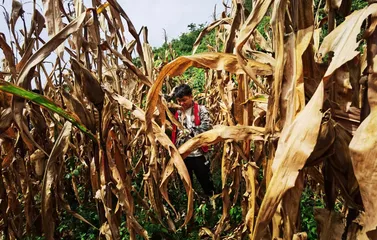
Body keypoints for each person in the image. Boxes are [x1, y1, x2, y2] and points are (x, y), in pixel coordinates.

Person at [171, 84, 215, 196]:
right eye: (179, 100)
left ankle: (212, 203)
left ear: (191, 96)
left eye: (184, 100)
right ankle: (190, 206)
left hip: (199, 154)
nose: (181, 103)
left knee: (206, 183)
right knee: (186, 184)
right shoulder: (177, 112)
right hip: (183, 155)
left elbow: (207, 127)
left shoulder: (201, 110)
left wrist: (190, 131)